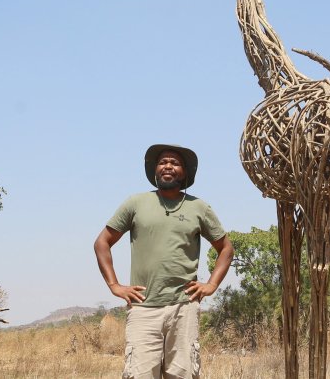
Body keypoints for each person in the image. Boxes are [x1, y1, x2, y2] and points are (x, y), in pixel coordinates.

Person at [93, 143, 234, 379]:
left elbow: (226, 249)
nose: (168, 166)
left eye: (175, 163)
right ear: (155, 170)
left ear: (185, 172)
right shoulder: (135, 203)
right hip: (143, 308)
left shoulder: (199, 207)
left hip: (184, 308)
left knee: (183, 374)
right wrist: (115, 286)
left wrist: (211, 285)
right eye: (163, 162)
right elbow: (102, 243)